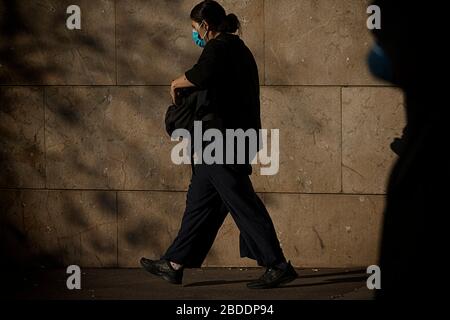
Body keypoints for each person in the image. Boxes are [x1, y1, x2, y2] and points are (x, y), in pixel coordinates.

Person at [140, 0, 297, 289]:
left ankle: (277, 264)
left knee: (242, 202)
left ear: (206, 26)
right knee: (199, 205)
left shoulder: (221, 48)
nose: (194, 34)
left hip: (223, 142)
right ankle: (174, 263)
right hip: (222, 141)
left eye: (194, 28)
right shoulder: (237, 49)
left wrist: (176, 83)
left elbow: (202, 75)